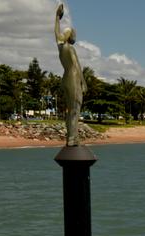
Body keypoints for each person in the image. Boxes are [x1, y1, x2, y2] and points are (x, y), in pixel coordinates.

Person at [55, 3, 87, 146]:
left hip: (65, 79)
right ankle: (72, 138)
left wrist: (57, 17)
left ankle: (71, 137)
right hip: (73, 79)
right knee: (75, 110)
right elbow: (76, 66)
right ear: (70, 37)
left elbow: (56, 33)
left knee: (70, 111)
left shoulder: (61, 48)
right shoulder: (70, 49)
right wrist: (83, 82)